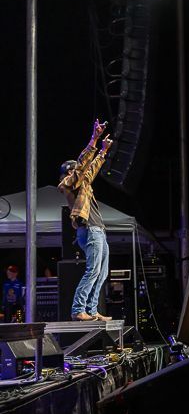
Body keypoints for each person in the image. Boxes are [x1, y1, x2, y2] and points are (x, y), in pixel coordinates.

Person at [58, 119, 113, 322]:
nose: (77, 171)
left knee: (102, 273)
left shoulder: (83, 184)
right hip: (90, 230)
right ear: (68, 172)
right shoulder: (68, 183)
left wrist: (103, 151)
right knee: (92, 271)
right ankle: (78, 309)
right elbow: (83, 167)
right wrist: (94, 139)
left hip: (98, 230)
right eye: (73, 170)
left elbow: (91, 169)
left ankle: (91, 310)